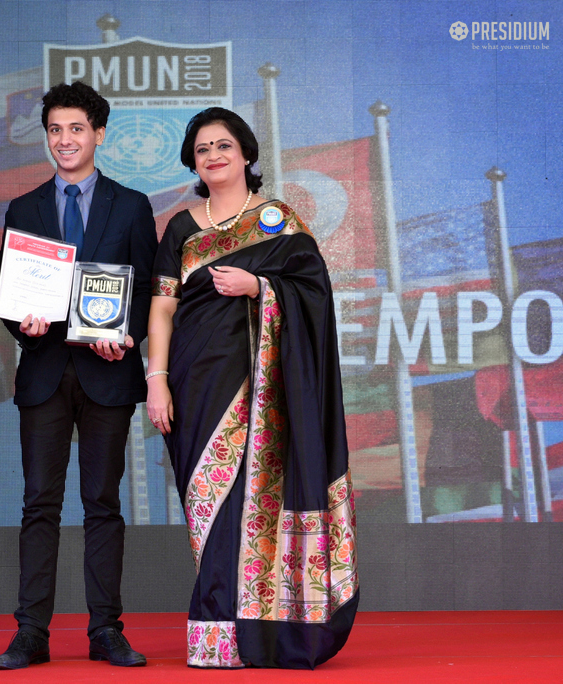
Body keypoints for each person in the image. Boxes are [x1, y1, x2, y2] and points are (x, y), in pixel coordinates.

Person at [145, 107, 358, 669]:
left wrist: (260, 285)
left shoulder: (278, 221)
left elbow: (313, 295)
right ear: (193, 163)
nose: (213, 156)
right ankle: (218, 629)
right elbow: (162, 308)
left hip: (264, 389)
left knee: (250, 502)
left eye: (223, 145)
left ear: (245, 154)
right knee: (207, 504)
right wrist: (156, 380)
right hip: (194, 385)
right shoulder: (181, 228)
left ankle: (261, 633)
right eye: (202, 149)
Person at [0, 82, 157, 671]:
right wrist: (24, 327)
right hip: (43, 374)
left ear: (99, 134)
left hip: (107, 373)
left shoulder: (131, 205)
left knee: (102, 504)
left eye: (76, 129)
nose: (65, 140)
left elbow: (147, 289)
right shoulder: (24, 207)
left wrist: (125, 333)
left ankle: (106, 629)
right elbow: (13, 295)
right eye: (55, 130)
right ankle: (30, 632)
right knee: (39, 504)